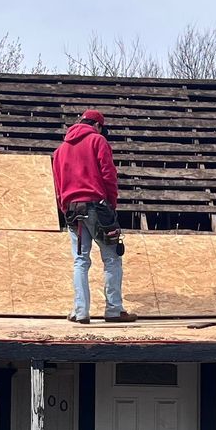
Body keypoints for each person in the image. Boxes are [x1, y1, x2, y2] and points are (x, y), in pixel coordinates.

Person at [51, 108, 129, 323]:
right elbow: (108, 175)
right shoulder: (98, 141)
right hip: (97, 206)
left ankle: (80, 311)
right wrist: (111, 205)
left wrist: (64, 208)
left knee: (80, 260)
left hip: (72, 209)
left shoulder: (60, 150)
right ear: (97, 126)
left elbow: (58, 185)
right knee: (112, 257)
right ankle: (114, 309)